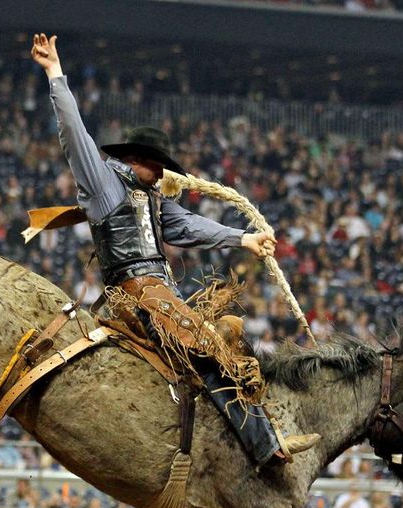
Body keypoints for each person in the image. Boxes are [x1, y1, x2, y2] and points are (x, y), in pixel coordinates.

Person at [31, 33, 318, 468]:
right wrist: (55, 73)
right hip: (137, 290)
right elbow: (75, 135)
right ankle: (264, 444)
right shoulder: (104, 184)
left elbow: (186, 226)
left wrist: (243, 239)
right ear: (138, 158)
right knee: (207, 345)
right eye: (160, 163)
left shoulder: (151, 196)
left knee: (228, 334)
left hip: (161, 293)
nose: (166, 173)